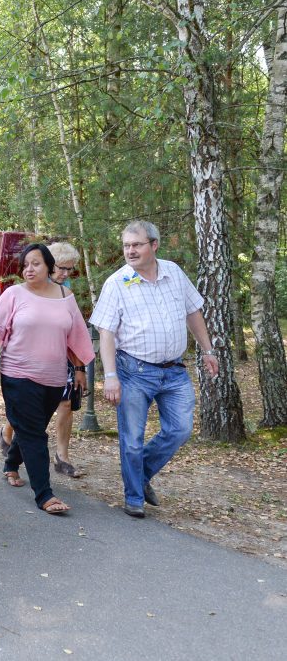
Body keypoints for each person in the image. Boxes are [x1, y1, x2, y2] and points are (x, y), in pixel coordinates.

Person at [89, 221, 219, 518]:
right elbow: (106, 332)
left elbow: (193, 311)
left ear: (154, 245)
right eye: (126, 246)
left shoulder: (174, 272)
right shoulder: (117, 283)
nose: (130, 251)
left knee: (180, 430)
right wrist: (110, 377)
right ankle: (133, 496)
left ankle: (140, 473)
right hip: (133, 371)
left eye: (137, 245)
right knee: (132, 439)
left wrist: (207, 349)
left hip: (174, 372)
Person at [0, 243, 94, 514]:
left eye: (35, 263)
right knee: (34, 434)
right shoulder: (13, 294)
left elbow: (76, 336)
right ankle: (44, 494)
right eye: (25, 265)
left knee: (29, 428)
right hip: (18, 374)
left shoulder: (64, 295)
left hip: (55, 378)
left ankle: (11, 464)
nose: (28, 269)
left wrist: (79, 370)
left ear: (49, 266)